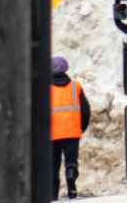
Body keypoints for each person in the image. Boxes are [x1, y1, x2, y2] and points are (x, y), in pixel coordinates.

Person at [50, 56, 92, 200]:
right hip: (72, 131)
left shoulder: (45, 89)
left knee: (53, 164)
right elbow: (85, 110)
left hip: (52, 133)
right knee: (71, 161)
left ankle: (53, 193)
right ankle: (71, 176)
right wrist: (82, 126)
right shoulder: (76, 87)